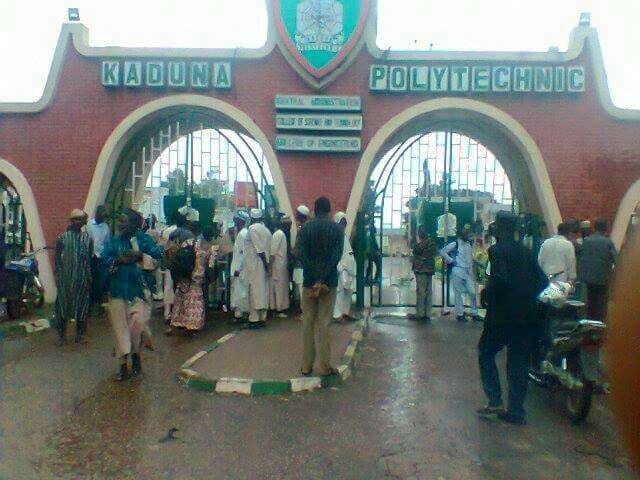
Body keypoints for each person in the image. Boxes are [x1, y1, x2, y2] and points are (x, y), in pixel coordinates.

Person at [477, 211, 547, 425]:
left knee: (486, 352)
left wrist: (486, 294)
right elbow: (543, 282)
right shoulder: (527, 252)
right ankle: (516, 410)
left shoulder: (497, 250)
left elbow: (501, 279)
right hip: (526, 316)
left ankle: (495, 400)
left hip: (502, 315)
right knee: (519, 362)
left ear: (498, 229)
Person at [103, 208, 163, 381]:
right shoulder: (115, 242)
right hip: (118, 290)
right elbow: (105, 261)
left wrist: (140, 256)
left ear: (134, 223)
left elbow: (159, 258)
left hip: (140, 291)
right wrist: (117, 260)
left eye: (124, 220)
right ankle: (123, 366)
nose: (120, 224)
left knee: (137, 325)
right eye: (120, 220)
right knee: (119, 328)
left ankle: (136, 354)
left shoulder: (145, 240)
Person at [297, 197, 344, 376]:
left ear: (314, 210)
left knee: (308, 322)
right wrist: (323, 278)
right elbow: (336, 257)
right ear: (329, 210)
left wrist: (315, 277)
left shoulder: (305, 229)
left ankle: (306, 366)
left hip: (309, 282)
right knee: (324, 323)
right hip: (329, 283)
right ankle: (324, 366)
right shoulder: (337, 230)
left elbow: (301, 254)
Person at [54, 209, 93, 345]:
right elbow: (57, 259)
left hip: (82, 279)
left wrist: (89, 277)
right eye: (77, 219)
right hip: (66, 280)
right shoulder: (62, 238)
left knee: (82, 308)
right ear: (72, 221)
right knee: (63, 307)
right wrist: (58, 277)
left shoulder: (87, 238)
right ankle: (62, 336)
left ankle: (80, 335)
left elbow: (89, 259)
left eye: (81, 219)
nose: (80, 222)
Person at [167, 233, 211, 335]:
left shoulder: (183, 247)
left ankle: (178, 323)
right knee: (194, 302)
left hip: (183, 279)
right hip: (194, 281)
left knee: (180, 301)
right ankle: (193, 325)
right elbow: (202, 267)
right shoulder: (201, 250)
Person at [578, 218, 617, 321]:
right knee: (601, 302)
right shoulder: (608, 242)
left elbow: (581, 257)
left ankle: (589, 322)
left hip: (588, 277)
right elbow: (615, 259)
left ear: (594, 228)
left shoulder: (586, 241)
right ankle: (599, 324)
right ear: (606, 228)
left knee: (590, 301)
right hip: (603, 278)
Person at [441, 224, 481, 322]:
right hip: (457, 270)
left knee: (472, 292)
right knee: (458, 294)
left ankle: (474, 313)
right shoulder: (455, 244)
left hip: (467, 271)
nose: (468, 236)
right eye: (466, 234)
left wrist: (472, 272)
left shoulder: (468, 244)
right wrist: (451, 260)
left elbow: (469, 259)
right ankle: (460, 314)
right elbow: (442, 251)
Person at [244, 208, 271, 328]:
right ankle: (262, 318)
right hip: (262, 265)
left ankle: (254, 320)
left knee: (254, 290)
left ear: (252, 218)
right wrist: (267, 265)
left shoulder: (252, 229)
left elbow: (259, 249)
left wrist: (265, 264)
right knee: (263, 290)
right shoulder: (266, 230)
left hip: (255, 263)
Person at [333, 211, 356, 322]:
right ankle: (337, 315)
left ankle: (345, 313)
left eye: (345, 222)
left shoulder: (344, 236)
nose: (344, 225)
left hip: (349, 269)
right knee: (339, 292)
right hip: (341, 268)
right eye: (342, 222)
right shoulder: (334, 236)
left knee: (348, 291)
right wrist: (340, 267)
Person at [411, 224, 437, 322]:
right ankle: (427, 313)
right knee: (428, 291)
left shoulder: (421, 244)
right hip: (429, 269)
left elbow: (416, 251)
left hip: (420, 269)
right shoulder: (432, 243)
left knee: (421, 292)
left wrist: (417, 242)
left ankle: (420, 313)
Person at [86, 205, 111, 307]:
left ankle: (98, 302)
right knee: (91, 279)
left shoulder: (105, 227)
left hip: (102, 257)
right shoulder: (89, 225)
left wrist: (105, 255)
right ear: (97, 214)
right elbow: (87, 240)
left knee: (100, 280)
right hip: (91, 257)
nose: (103, 219)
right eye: (102, 216)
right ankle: (90, 302)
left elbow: (107, 242)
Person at [269, 214, 290, 318]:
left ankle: (278, 308)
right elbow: (273, 253)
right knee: (279, 287)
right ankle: (278, 309)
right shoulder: (280, 234)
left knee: (279, 287)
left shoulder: (278, 234)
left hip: (279, 266)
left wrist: (270, 267)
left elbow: (273, 253)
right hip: (279, 266)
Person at [230, 213, 250, 322]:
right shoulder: (242, 233)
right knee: (239, 290)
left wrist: (238, 268)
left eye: (237, 220)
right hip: (240, 268)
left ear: (241, 221)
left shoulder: (242, 234)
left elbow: (242, 254)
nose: (235, 222)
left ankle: (240, 315)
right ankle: (240, 313)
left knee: (240, 291)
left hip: (240, 269)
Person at [291, 204, 310, 310]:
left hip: (301, 264)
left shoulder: (302, 229)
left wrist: (293, 252)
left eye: (297, 214)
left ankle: (305, 312)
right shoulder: (305, 228)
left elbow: (299, 249)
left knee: (302, 290)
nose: (296, 215)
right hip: (304, 264)